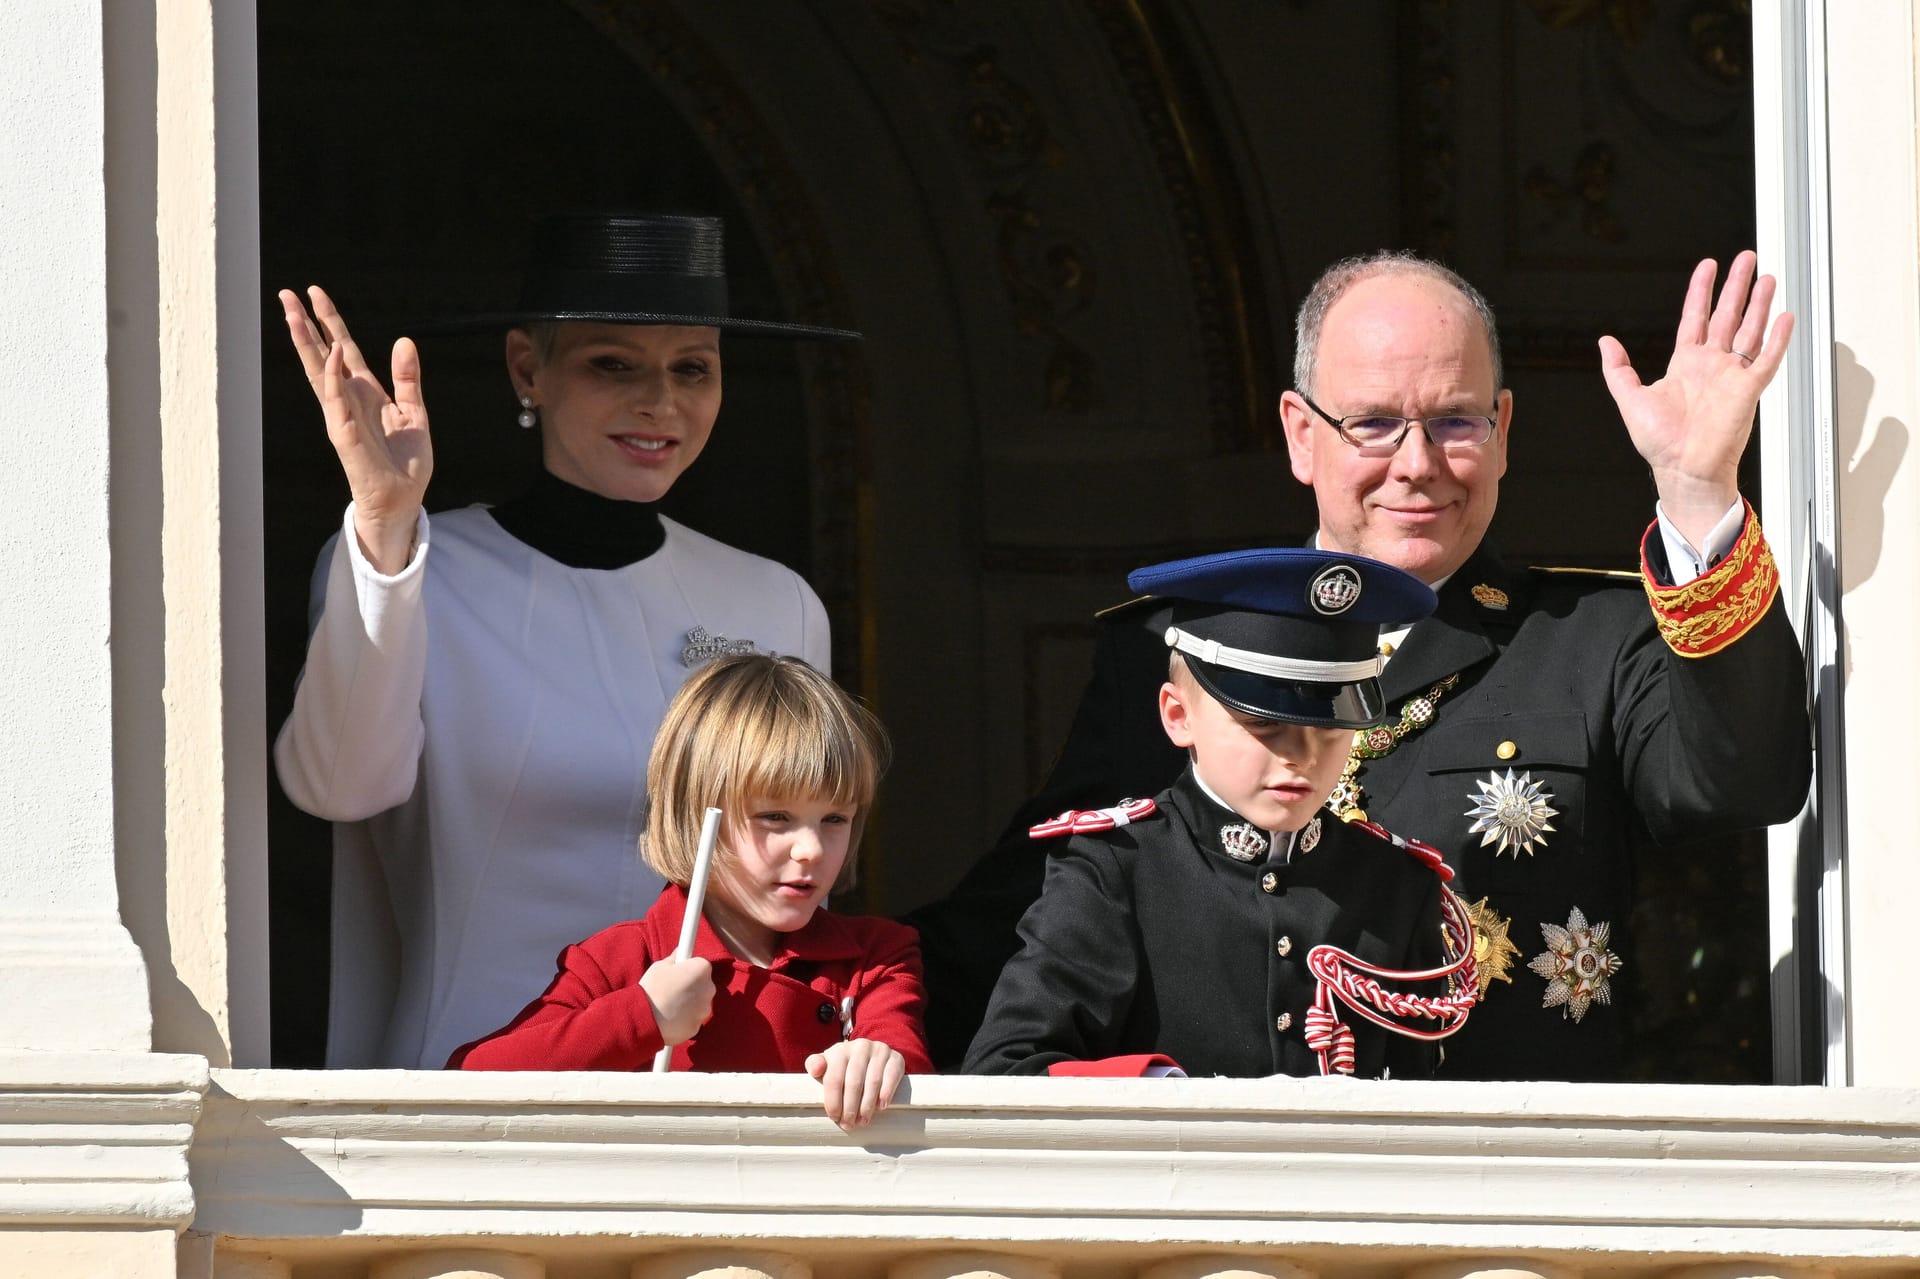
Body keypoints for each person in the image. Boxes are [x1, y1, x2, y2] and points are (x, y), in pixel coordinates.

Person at [914, 250, 1813, 1081]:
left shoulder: (1594, 638)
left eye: (1455, 419)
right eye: (1375, 425)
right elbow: (1021, 925)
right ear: (1302, 435)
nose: (1416, 465)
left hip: (1512, 1203)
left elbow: (1746, 782)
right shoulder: (1175, 650)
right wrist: (839, 999)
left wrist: (1699, 490)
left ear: (1502, 429)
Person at [273, 213, 859, 1069]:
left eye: (691, 367)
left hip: (721, 1087)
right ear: (527, 369)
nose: (659, 400)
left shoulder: (778, 602)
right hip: (481, 1080)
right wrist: (387, 528)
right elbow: (339, 787)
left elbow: (806, 880)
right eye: (612, 364)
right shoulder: (419, 566)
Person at [964, 549, 1478, 1080]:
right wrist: (1168, 1097)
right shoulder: (1114, 867)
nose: (1300, 755)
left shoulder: (1396, 882)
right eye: (1264, 725)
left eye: (1330, 729)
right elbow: (1007, 1072)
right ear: (1178, 716)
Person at [451, 653, 930, 1130]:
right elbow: (469, 1085)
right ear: (696, 814)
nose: (810, 849)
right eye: (775, 817)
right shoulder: (620, 960)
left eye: (835, 819)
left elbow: (911, 1072)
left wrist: (881, 1058)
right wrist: (643, 1015)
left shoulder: (877, 957)